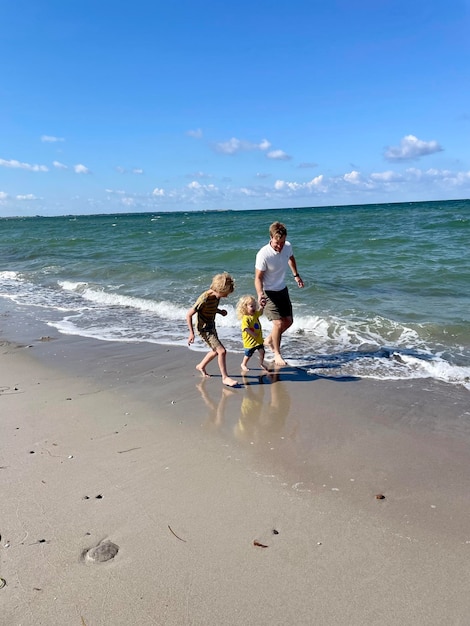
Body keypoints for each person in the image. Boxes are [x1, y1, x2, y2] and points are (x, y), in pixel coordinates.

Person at [254, 221, 304, 366]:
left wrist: (296, 275)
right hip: (268, 292)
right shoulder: (263, 254)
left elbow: (291, 258)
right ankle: (277, 354)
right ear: (271, 238)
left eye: (282, 242)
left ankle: (269, 340)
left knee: (288, 321)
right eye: (277, 242)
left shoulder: (287, 247)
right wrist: (260, 294)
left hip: (282, 289)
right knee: (278, 323)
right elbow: (258, 277)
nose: (280, 246)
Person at [186, 272, 239, 387]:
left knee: (216, 351)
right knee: (222, 351)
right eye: (226, 293)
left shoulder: (216, 296)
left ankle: (201, 366)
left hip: (211, 325)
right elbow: (189, 315)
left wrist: (220, 312)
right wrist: (191, 334)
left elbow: (212, 308)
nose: (227, 296)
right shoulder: (204, 298)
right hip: (204, 329)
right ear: (220, 289)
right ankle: (225, 378)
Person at [236, 294, 267, 372]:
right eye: (251, 306)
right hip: (250, 341)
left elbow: (260, 312)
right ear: (245, 308)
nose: (254, 308)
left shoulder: (255, 314)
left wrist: (262, 306)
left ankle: (261, 363)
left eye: (254, 305)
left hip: (258, 340)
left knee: (262, 352)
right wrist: (253, 334)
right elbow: (245, 328)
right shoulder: (245, 318)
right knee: (248, 354)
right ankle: (243, 364)